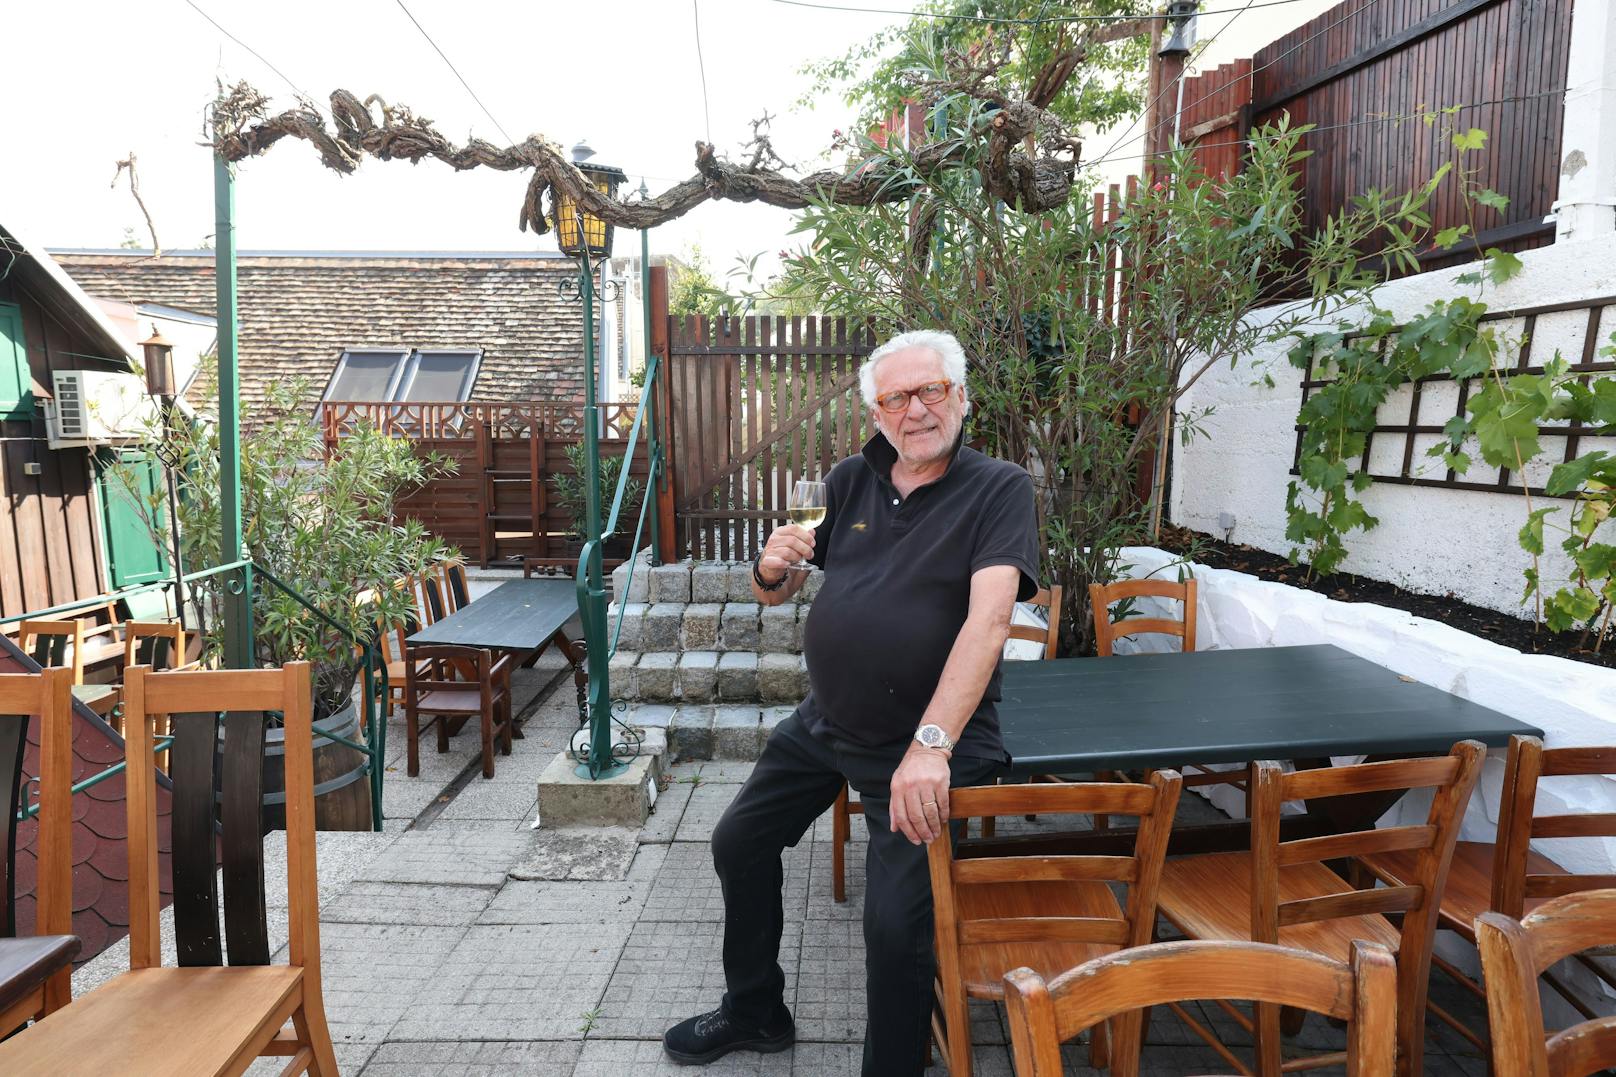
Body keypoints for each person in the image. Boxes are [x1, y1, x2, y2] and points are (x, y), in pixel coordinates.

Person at [662, 329, 1041, 1075]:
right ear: (876, 412)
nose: (916, 410)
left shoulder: (999, 488)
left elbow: (990, 619)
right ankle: (755, 1009)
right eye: (896, 397)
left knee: (895, 928)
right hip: (825, 723)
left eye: (930, 390)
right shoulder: (847, 480)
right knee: (738, 841)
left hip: (920, 740)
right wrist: (771, 566)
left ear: (960, 396)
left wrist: (931, 746)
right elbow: (783, 585)